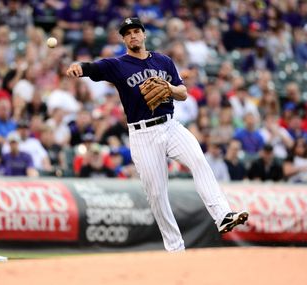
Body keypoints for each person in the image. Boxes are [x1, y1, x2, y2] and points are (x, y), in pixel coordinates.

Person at [66, 17, 248, 252]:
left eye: (136, 31)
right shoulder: (118, 65)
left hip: (170, 126)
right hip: (142, 134)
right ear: (123, 39)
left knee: (199, 160)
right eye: (127, 33)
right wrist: (79, 67)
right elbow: (94, 67)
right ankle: (175, 248)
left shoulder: (163, 61)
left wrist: (169, 88)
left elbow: (183, 92)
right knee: (156, 194)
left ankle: (222, 215)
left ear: (144, 34)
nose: (133, 35)